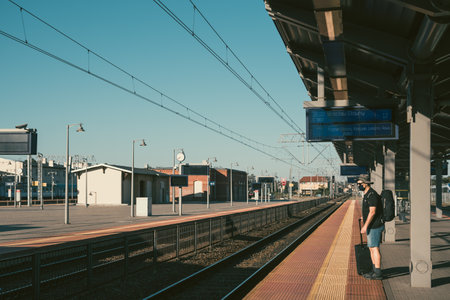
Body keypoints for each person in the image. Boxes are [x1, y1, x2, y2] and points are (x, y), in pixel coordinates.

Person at [357, 176, 384, 280]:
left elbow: (373, 212)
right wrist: (363, 217)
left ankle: (378, 273)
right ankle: (374, 270)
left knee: (374, 248)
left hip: (374, 226)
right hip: (372, 226)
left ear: (366, 183)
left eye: (360, 184)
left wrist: (365, 226)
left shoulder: (372, 195)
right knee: (371, 248)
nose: (359, 185)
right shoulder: (367, 194)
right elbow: (370, 211)